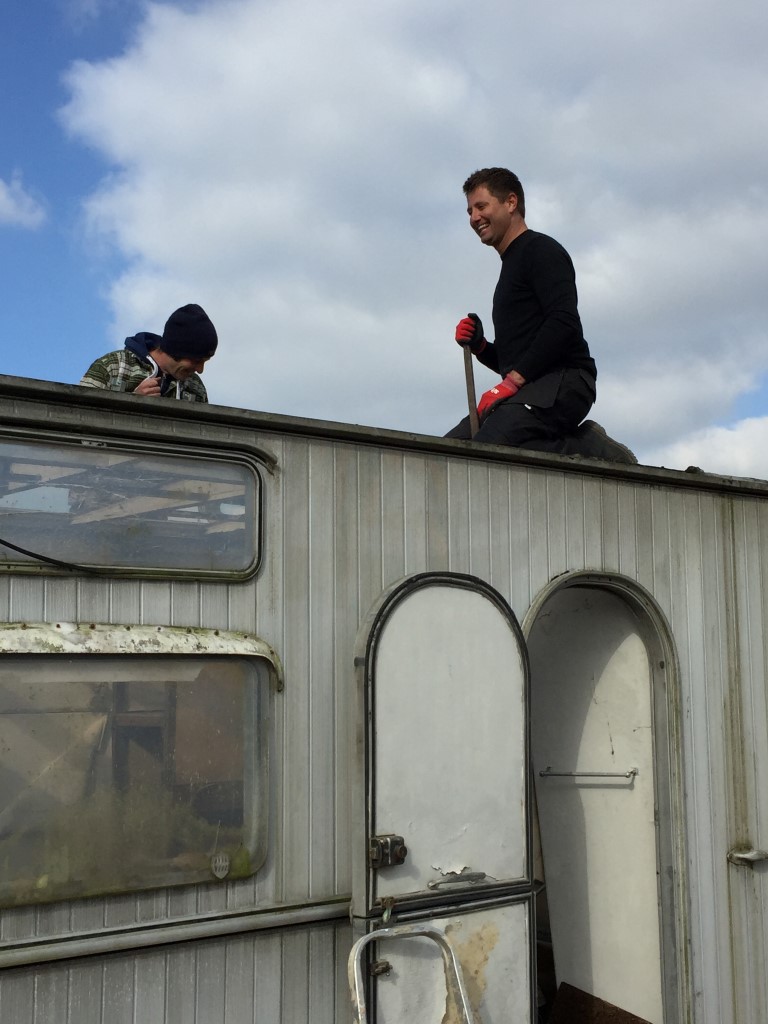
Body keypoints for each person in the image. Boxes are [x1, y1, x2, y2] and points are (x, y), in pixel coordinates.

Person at [446, 168, 635, 463]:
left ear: (511, 202)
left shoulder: (541, 250)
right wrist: (481, 346)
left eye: (481, 206)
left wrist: (511, 383)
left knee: (485, 452)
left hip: (565, 383)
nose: (473, 217)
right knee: (443, 451)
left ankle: (588, 447)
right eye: (469, 211)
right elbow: (519, 358)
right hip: (532, 388)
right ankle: (572, 443)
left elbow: (564, 323)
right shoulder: (510, 267)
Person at [80, 303, 218, 403]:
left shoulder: (196, 388)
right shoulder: (112, 367)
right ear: (176, 349)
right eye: (197, 360)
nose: (200, 370)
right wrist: (130, 403)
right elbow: (77, 418)